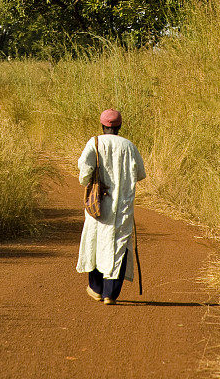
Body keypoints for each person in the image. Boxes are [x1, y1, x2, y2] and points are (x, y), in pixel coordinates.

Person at [76, 108, 146, 305]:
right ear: (120, 126)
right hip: (122, 205)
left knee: (96, 242)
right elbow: (139, 174)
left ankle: (96, 289)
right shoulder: (129, 146)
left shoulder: (94, 142)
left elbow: (84, 172)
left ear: (102, 126)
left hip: (98, 204)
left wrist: (90, 181)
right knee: (119, 245)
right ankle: (110, 295)